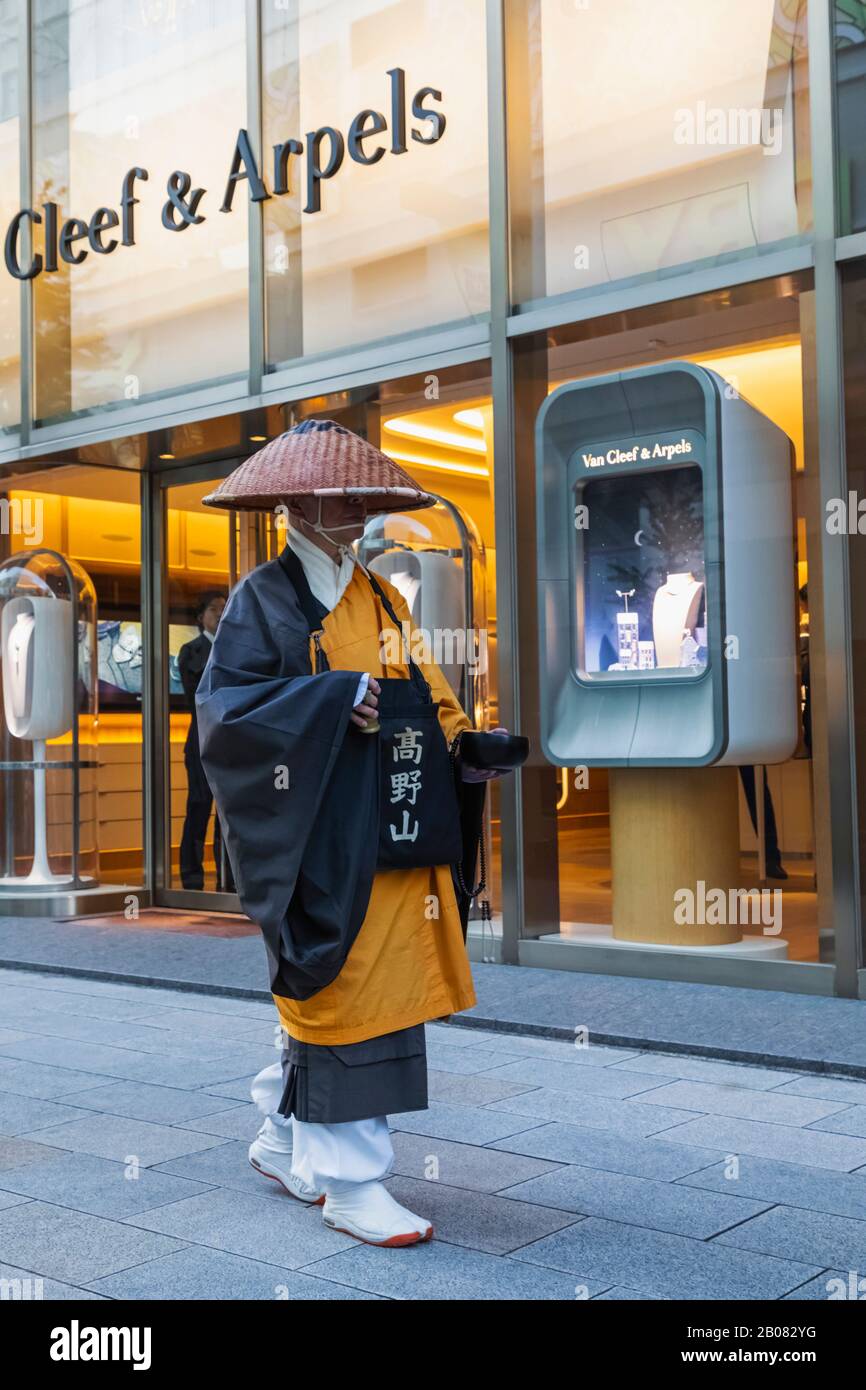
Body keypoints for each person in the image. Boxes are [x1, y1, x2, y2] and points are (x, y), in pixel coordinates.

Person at [196, 419, 510, 1247]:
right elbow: (224, 719)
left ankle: (280, 1136)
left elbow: (424, 687)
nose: (357, 511)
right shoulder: (263, 600)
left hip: (396, 822)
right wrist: (335, 700)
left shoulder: (380, 594)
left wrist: (462, 746)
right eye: (343, 498)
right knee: (344, 988)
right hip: (322, 829)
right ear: (298, 503)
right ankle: (352, 1183)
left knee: (356, 987)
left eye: (363, 499)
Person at [177, 591, 227, 890]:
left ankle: (228, 878)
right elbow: (199, 695)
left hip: (230, 743)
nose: (220, 613)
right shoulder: (191, 650)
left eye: (225, 608)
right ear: (201, 617)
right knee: (198, 807)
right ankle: (192, 878)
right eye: (213, 609)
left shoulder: (235, 647)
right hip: (200, 741)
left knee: (227, 813)